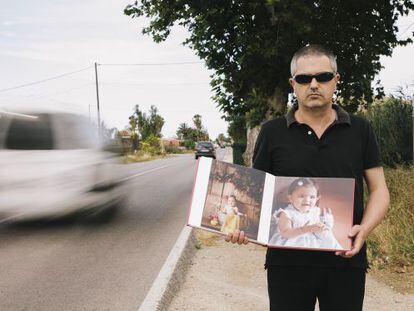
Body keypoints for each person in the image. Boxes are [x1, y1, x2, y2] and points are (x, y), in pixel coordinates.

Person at [225, 44, 389, 311]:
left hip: (345, 260)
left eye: (323, 77)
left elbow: (380, 190)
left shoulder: (360, 129)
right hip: (286, 264)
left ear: (336, 80)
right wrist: (242, 227)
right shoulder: (271, 132)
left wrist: (364, 230)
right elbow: (257, 195)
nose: (313, 84)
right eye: (304, 79)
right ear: (293, 84)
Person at [268, 178, 342, 250]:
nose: (307, 200)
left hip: (311, 241)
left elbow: (318, 224)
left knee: (328, 236)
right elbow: (285, 233)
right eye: (301, 196)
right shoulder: (286, 214)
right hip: (292, 241)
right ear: (290, 198)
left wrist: (325, 224)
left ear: (317, 199)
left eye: (312, 197)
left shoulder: (314, 211)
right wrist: (303, 229)